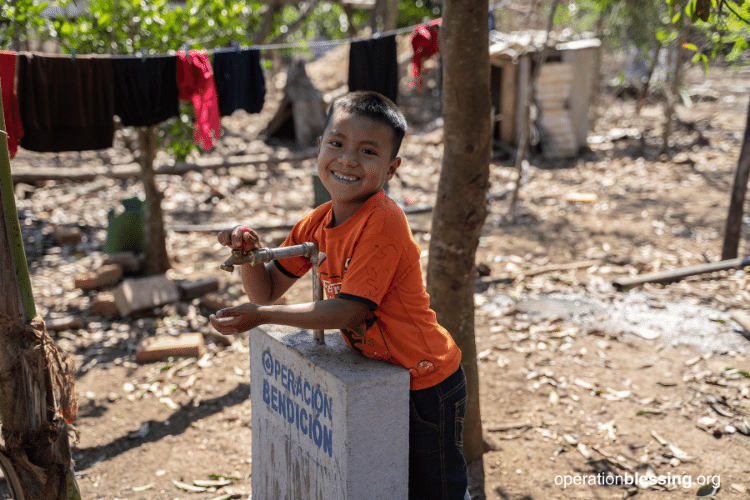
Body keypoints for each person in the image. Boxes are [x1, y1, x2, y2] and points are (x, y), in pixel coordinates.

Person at [210, 91, 469, 500]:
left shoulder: (384, 221)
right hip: (385, 371)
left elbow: (348, 312)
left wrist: (262, 316)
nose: (348, 159)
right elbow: (268, 288)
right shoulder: (316, 222)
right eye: (337, 144)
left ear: (391, 168)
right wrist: (247, 256)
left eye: (368, 151)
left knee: (436, 489)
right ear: (320, 147)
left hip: (427, 379)